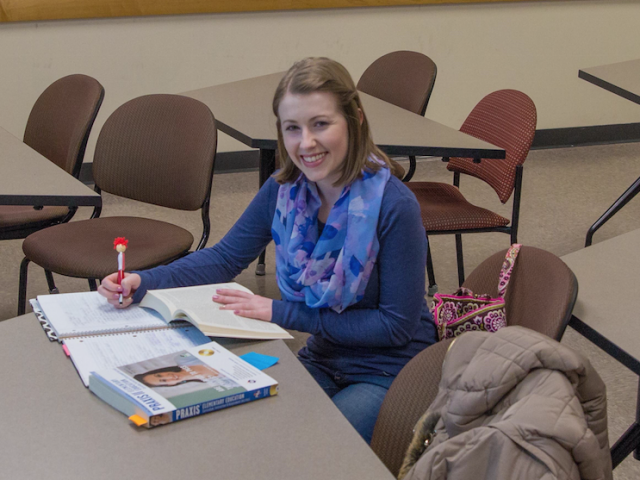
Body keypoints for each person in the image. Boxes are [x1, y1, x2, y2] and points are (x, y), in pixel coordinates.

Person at [98, 57, 438, 443]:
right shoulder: (284, 191)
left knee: (319, 448)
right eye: (292, 128)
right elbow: (224, 258)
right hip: (326, 356)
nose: (305, 143)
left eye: (321, 124)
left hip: (390, 369)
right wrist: (144, 282)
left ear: (355, 120)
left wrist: (282, 313)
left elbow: (394, 327)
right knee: (254, 435)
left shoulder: (394, 205)